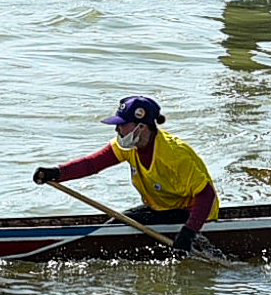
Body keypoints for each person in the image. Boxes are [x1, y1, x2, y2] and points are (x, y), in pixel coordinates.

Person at [32, 96, 220, 253]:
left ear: (141, 127)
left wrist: (189, 232)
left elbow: (206, 194)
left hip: (193, 213)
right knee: (116, 224)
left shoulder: (173, 155)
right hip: (163, 207)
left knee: (119, 227)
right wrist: (56, 173)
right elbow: (91, 165)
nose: (117, 130)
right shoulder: (130, 146)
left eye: (122, 125)